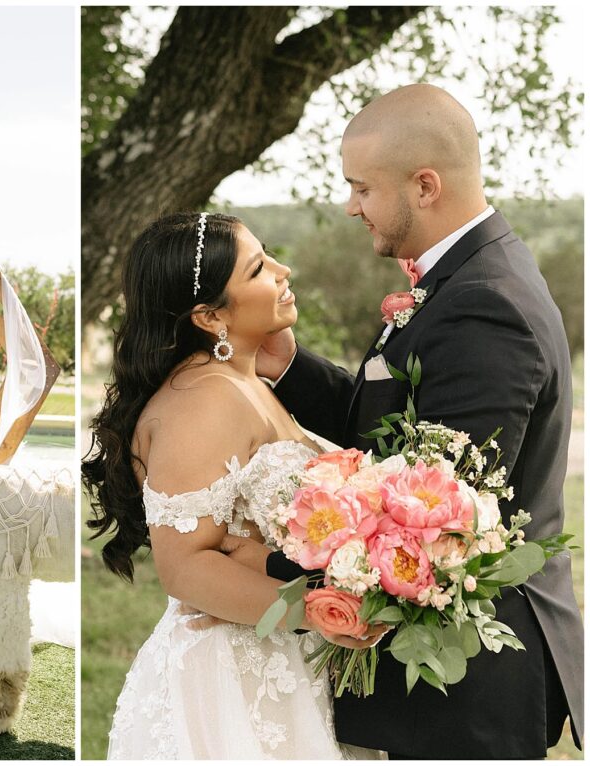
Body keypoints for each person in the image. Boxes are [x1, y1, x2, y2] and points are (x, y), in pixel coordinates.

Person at [255, 84, 583, 758]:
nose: (351, 207)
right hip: (442, 675)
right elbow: (397, 439)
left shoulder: (485, 305)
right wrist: (288, 366)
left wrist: (246, 564)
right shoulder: (464, 280)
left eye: (362, 188)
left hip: (466, 686)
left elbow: (431, 517)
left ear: (425, 186)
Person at [83, 212, 384, 759]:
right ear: (209, 314)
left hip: (283, 661)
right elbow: (186, 566)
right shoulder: (204, 399)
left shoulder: (250, 383)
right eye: (259, 269)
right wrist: (316, 607)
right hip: (233, 680)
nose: (283, 269)